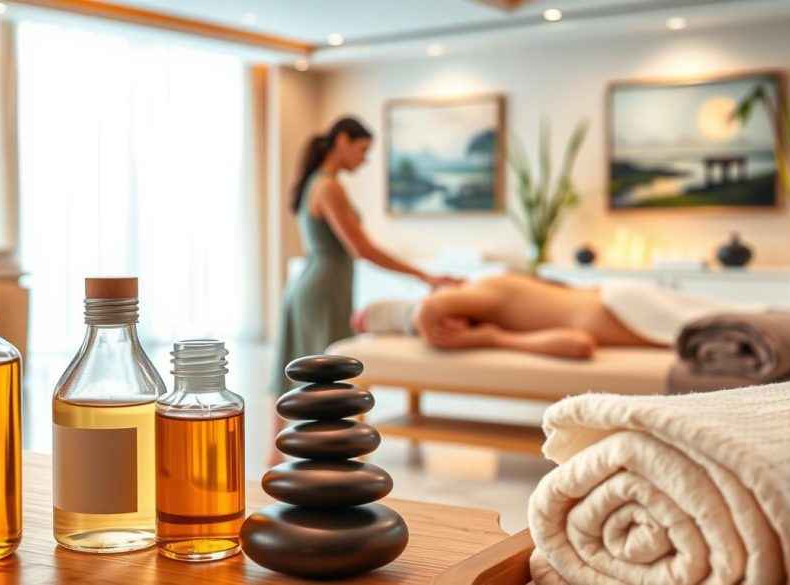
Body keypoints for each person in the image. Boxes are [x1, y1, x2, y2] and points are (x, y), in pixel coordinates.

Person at [269, 116, 458, 466]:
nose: (365, 159)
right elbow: (362, 249)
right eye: (363, 149)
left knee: (297, 368)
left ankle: (279, 455)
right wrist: (424, 275)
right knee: (326, 378)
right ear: (342, 140)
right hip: (322, 290)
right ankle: (325, 457)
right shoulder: (328, 186)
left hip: (314, 286)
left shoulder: (317, 182)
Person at [354, 273, 662, 359]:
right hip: (629, 303)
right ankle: (398, 316)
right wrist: (493, 338)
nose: (451, 326)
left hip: (628, 308)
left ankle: (399, 315)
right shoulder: (509, 315)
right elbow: (578, 344)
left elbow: (429, 311)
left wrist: (490, 339)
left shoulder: (490, 289)